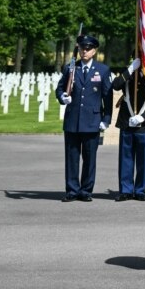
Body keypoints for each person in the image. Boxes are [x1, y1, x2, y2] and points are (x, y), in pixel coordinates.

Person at [55, 35, 113, 202]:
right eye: (81, 48)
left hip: (92, 121)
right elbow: (59, 89)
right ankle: (72, 190)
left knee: (89, 159)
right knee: (72, 158)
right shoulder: (71, 68)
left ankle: (86, 191)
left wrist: (106, 119)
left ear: (94, 51)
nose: (84, 51)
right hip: (73, 120)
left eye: (88, 49)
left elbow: (107, 97)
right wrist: (62, 97)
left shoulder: (102, 70)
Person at [112, 55, 145, 202]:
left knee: (143, 159)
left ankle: (140, 189)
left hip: (143, 125)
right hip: (127, 121)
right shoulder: (128, 73)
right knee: (125, 158)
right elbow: (115, 85)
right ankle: (126, 190)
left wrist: (144, 117)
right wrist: (130, 69)